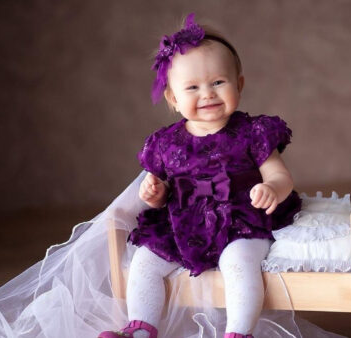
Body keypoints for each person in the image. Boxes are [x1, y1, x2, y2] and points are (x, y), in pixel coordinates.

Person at [98, 13, 302, 338]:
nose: (207, 94)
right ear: (173, 99)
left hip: (240, 220)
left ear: (240, 84)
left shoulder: (252, 132)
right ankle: (140, 328)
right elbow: (165, 188)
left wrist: (272, 188)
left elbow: (280, 175)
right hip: (183, 222)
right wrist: (156, 192)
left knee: (239, 264)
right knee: (145, 262)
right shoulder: (166, 143)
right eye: (192, 87)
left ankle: (238, 332)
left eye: (218, 82)